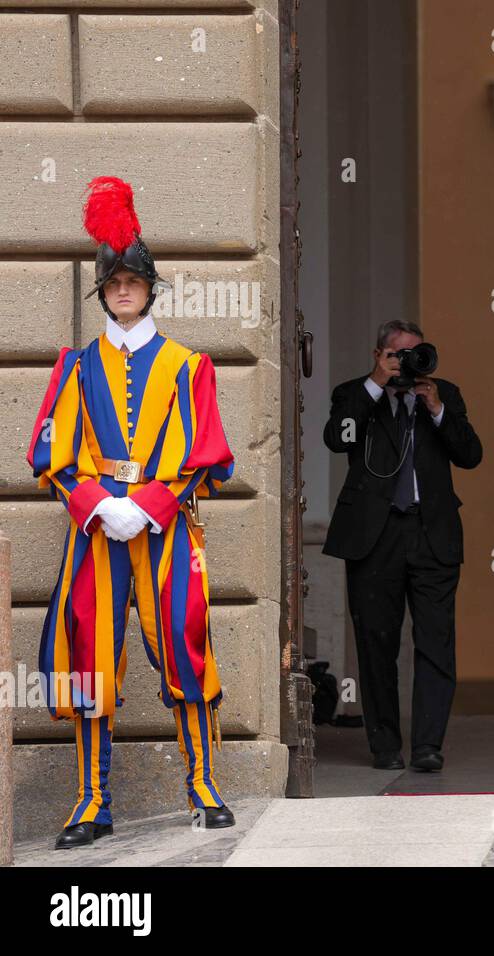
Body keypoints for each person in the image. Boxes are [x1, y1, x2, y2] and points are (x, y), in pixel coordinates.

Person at [29, 176, 237, 848]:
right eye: (113, 280)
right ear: (102, 289)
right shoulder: (77, 365)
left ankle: (204, 786)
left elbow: (204, 454)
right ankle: (93, 801)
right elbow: (53, 455)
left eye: (133, 279)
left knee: (184, 641)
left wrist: (145, 506)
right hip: (95, 533)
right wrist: (99, 505)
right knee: (89, 652)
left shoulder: (187, 366)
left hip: (165, 528)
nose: (123, 288)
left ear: (150, 286)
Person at [323, 320, 482, 772]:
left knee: (435, 642)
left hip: (432, 535)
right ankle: (385, 746)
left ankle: (429, 745)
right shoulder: (354, 393)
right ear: (378, 355)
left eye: (416, 353)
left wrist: (436, 410)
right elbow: (338, 438)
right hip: (375, 537)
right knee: (376, 645)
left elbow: (470, 455)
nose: (407, 363)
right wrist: (377, 384)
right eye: (397, 354)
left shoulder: (443, 393)